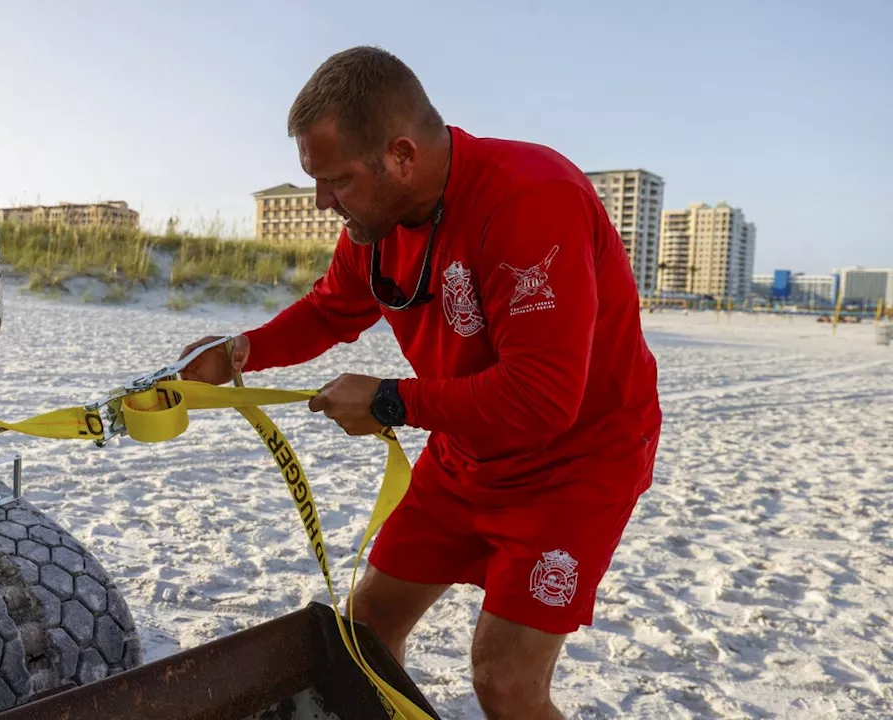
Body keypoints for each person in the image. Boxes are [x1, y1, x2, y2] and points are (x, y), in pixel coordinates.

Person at [179, 46, 662, 719]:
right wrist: (240, 352)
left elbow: (543, 398)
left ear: (401, 155)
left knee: (504, 683)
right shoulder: (375, 224)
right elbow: (330, 309)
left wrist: (387, 400)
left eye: (337, 180)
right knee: (365, 634)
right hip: (467, 451)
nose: (322, 203)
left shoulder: (529, 197)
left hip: (573, 466)